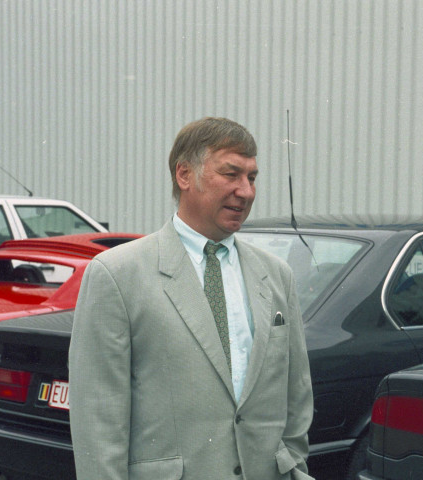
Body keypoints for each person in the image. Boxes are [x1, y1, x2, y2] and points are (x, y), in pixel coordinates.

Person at [69, 117, 314, 480]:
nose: (245, 191)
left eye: (252, 178)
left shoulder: (276, 275)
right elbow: (98, 419)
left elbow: (297, 396)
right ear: (184, 175)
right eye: (231, 174)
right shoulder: (118, 274)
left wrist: (293, 465)